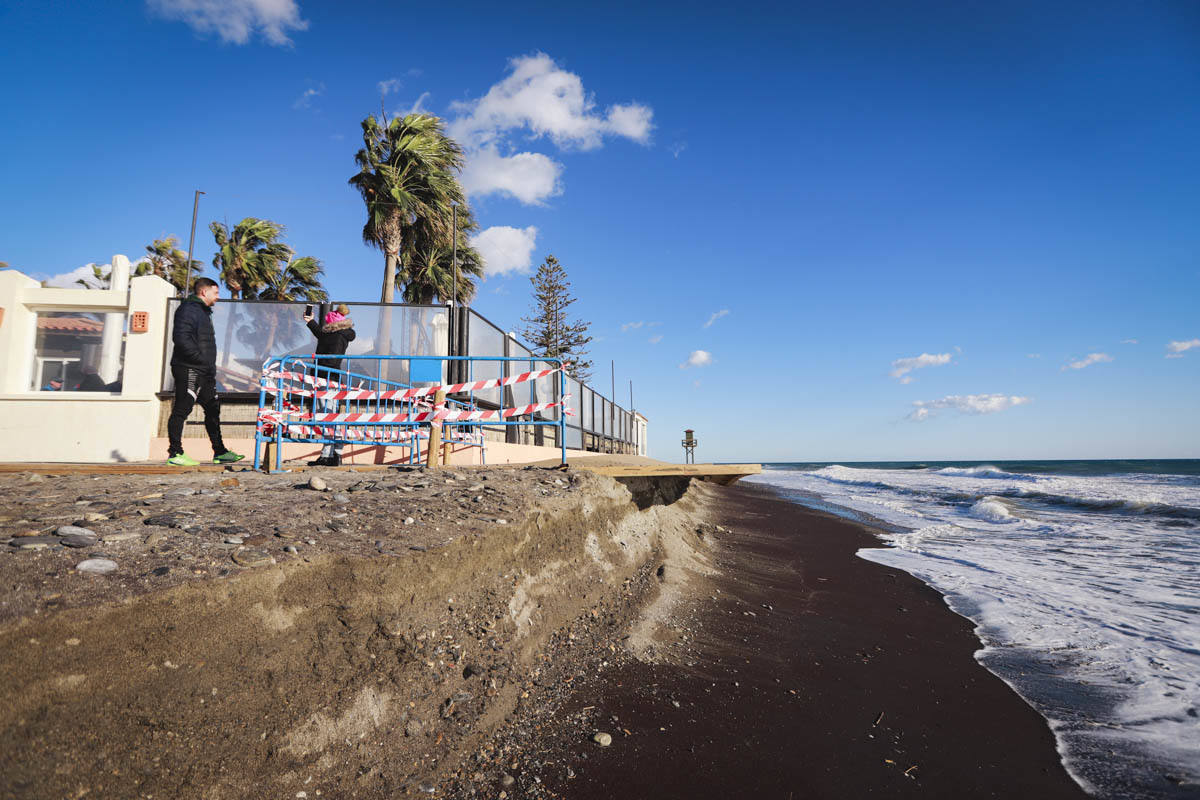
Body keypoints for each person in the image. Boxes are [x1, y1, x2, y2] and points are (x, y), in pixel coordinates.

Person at [166, 277, 244, 466]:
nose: (218, 297)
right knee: (182, 409)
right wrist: (199, 359)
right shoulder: (188, 309)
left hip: (205, 371)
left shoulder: (202, 311)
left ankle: (220, 452)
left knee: (212, 408)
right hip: (189, 368)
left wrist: (208, 366)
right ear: (204, 292)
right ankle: (175, 453)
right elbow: (181, 338)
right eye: (215, 293)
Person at [305, 303, 356, 466]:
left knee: (328, 415)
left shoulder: (338, 336)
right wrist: (310, 321)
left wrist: (317, 365)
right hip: (327, 377)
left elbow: (332, 357)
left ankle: (331, 454)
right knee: (328, 415)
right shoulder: (337, 333)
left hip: (327, 377)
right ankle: (332, 453)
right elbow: (321, 334)